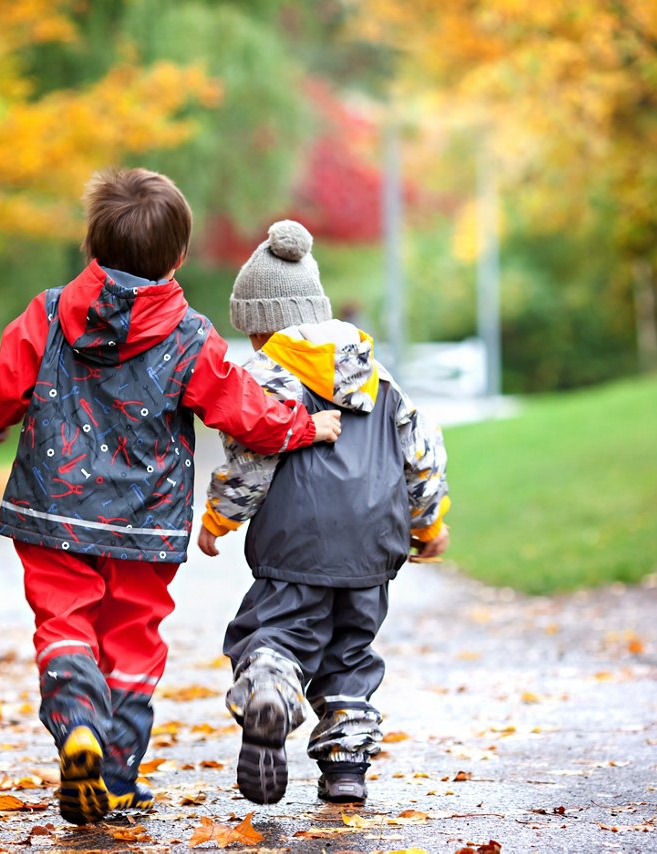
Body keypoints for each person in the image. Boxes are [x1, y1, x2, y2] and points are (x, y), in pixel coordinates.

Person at [0, 170, 342, 825]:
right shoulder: (189, 336)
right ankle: (115, 777)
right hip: (145, 525)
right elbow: (242, 410)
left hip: (52, 514)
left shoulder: (48, 315)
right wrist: (305, 424)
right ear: (179, 257)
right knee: (132, 641)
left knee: (65, 627)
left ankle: (77, 725)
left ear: (90, 247)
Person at [197, 220, 450, 806]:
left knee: (275, 635)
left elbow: (252, 462)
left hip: (295, 548)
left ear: (261, 325)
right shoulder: (378, 376)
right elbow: (421, 454)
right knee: (350, 655)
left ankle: (270, 692)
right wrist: (428, 524)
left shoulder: (262, 378)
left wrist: (218, 519)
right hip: (371, 550)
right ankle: (345, 769)